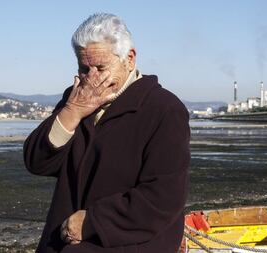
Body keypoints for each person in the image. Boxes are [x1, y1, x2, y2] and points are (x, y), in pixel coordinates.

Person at [24, 13, 190, 253]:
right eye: (84, 68)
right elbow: (36, 163)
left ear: (129, 59)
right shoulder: (76, 97)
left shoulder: (164, 109)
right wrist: (72, 112)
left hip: (134, 241)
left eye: (101, 67)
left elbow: (163, 198)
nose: (91, 78)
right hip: (62, 237)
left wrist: (92, 222)